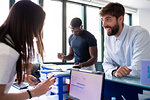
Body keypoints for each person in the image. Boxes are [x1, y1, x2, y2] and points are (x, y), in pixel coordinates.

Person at [0, 1, 56, 100]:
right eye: (38, 27)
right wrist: (34, 93)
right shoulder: (7, 52)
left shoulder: (5, 41)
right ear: (29, 25)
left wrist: (22, 77)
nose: (36, 33)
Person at [100, 2, 150, 78]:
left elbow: (139, 69)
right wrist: (114, 71)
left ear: (120, 19)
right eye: (102, 20)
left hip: (142, 84)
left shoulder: (140, 34)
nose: (104, 25)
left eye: (108, 19)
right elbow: (106, 64)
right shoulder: (108, 38)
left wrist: (119, 71)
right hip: (121, 83)